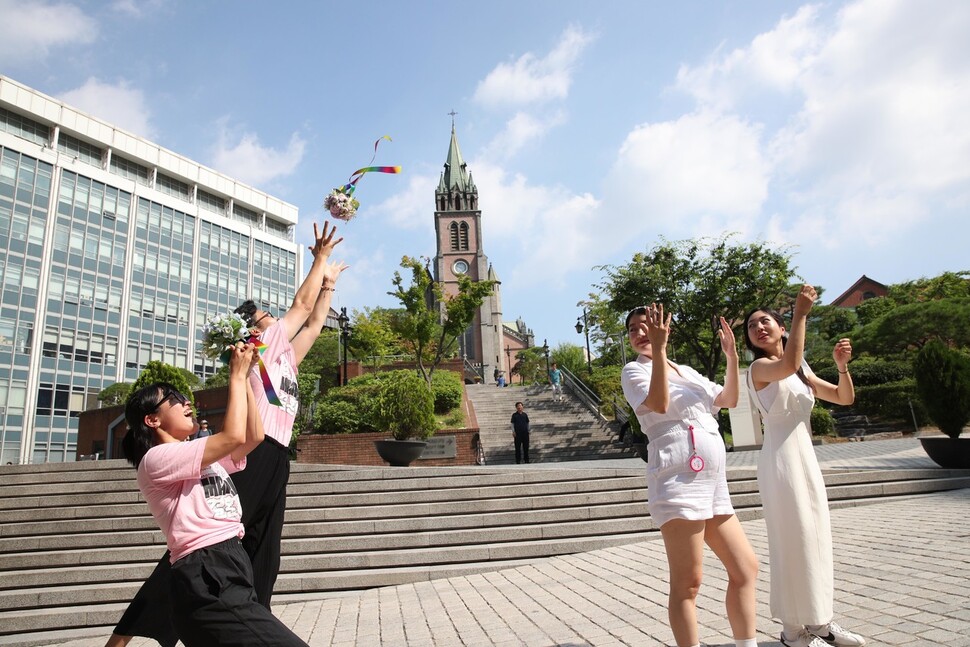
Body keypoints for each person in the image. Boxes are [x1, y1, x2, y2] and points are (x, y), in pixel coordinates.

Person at [108, 221, 347, 647]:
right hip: (253, 453)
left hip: (277, 458)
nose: (275, 321)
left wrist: (328, 286)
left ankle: (253, 622)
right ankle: (130, 632)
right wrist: (319, 261)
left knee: (263, 555)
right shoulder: (265, 345)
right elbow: (300, 306)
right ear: (257, 331)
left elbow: (312, 325)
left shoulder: (286, 359)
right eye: (266, 319)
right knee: (207, 543)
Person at [119, 344, 306, 646]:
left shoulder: (198, 458)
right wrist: (234, 374)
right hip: (206, 574)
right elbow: (232, 436)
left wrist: (245, 377)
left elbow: (254, 437)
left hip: (229, 565)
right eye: (174, 398)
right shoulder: (156, 459)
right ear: (152, 420)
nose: (185, 402)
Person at [621, 304, 758, 647]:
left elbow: (728, 398)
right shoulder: (633, 371)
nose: (640, 333)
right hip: (677, 479)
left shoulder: (686, 370)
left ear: (664, 326)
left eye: (646, 326)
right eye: (634, 330)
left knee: (745, 569)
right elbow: (661, 403)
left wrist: (732, 358)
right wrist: (659, 348)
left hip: (712, 483)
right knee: (689, 582)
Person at [744, 285, 865, 647]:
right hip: (780, 460)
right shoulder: (761, 367)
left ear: (780, 329)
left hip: (805, 459)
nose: (759, 328)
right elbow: (789, 363)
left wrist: (843, 368)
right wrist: (801, 313)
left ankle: (821, 622)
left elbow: (843, 398)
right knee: (792, 541)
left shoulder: (801, 368)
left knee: (815, 540)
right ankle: (793, 631)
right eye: (752, 326)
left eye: (766, 321)